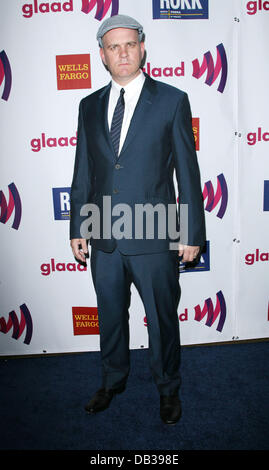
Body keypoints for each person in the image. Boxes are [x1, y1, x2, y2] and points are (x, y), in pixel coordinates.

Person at [70, 14, 205, 425]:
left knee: (162, 319)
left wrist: (192, 231)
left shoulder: (171, 99)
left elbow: (188, 170)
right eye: (114, 47)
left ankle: (168, 388)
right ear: (102, 56)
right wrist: (78, 227)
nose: (122, 52)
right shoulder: (89, 105)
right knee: (110, 315)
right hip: (103, 231)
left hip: (154, 230)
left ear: (142, 48)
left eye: (130, 44)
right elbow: (83, 171)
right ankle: (112, 380)